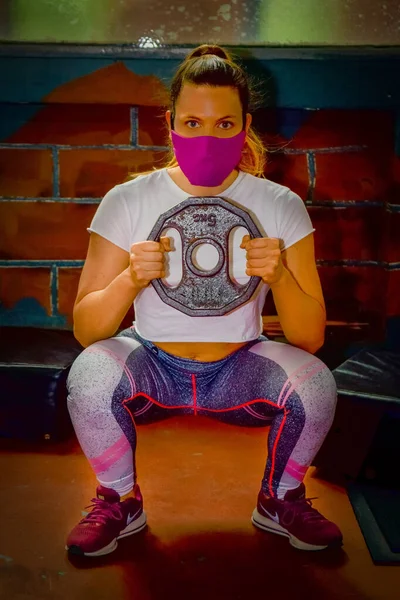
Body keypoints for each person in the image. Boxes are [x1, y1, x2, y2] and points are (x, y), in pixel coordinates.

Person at [66, 44, 343, 557]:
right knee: (88, 375)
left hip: (240, 366)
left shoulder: (279, 205)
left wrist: (279, 276)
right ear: (170, 122)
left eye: (223, 124)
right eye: (192, 122)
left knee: (317, 386)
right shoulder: (127, 200)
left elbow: (309, 339)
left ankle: (279, 499)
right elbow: (86, 330)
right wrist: (129, 279)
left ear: (245, 125)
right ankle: (120, 500)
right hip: (152, 362)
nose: (207, 137)